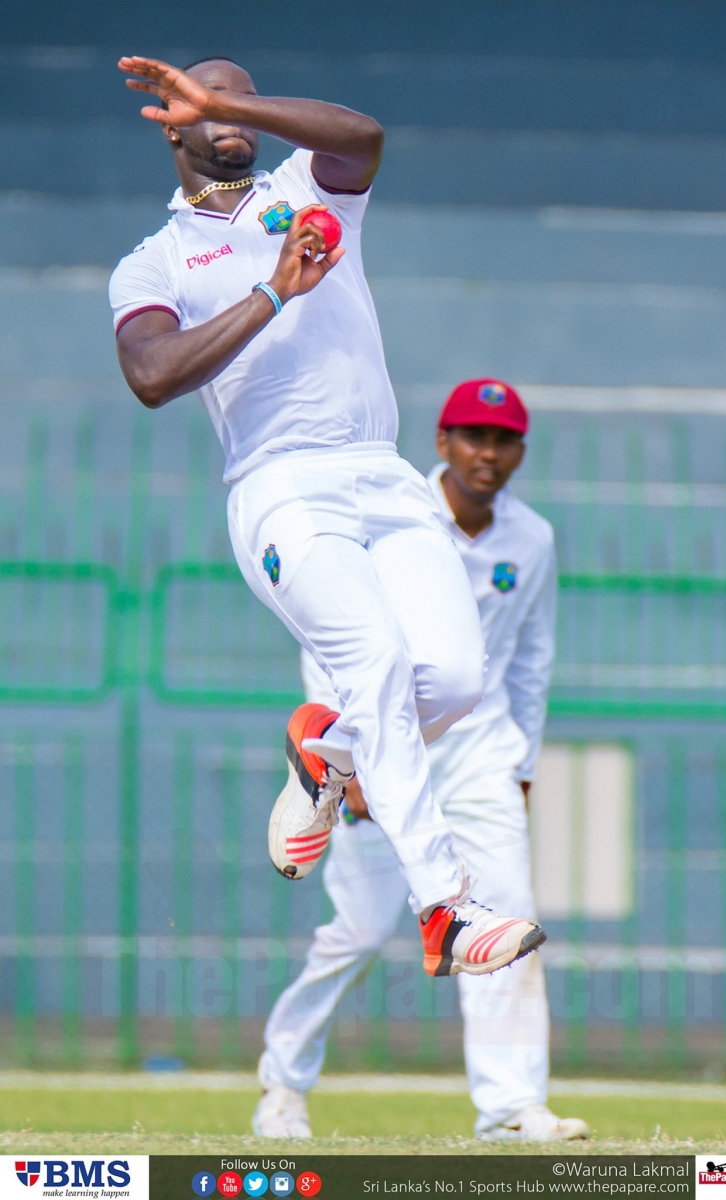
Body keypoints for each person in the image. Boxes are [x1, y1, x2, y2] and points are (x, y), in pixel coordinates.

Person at [109, 57, 545, 979]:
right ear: (170, 128)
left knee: (453, 679)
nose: (228, 112)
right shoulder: (155, 260)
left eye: (239, 98)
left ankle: (328, 749)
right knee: (375, 661)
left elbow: (365, 138)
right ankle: (445, 908)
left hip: (382, 474)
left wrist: (225, 100)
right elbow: (149, 375)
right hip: (280, 487)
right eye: (204, 101)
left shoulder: (306, 187)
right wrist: (272, 292)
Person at [253, 380, 590, 1143]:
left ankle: (509, 1109)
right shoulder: (387, 513)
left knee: (507, 920)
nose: (486, 454)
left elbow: (530, 662)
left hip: (481, 761)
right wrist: (347, 761)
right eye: (472, 437)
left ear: (519, 451)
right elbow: (331, 641)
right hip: (385, 753)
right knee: (360, 933)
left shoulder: (531, 539)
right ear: (442, 443)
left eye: (502, 440)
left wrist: (522, 766)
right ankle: (283, 1084)